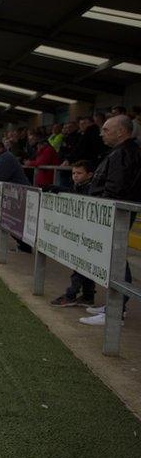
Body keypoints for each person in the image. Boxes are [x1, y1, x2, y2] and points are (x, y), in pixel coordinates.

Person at [79, 115, 141, 326]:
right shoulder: (120, 152)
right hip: (112, 213)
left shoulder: (124, 153)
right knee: (115, 259)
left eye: (106, 129)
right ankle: (113, 306)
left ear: (121, 132)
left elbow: (115, 189)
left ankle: (115, 312)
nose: (101, 133)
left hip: (114, 214)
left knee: (116, 260)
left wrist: (100, 210)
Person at [49, 161, 96, 307]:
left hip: (89, 233)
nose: (75, 176)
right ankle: (88, 296)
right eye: (73, 173)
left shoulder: (91, 188)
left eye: (79, 173)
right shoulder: (78, 187)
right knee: (83, 264)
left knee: (80, 264)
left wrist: (62, 190)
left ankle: (71, 295)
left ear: (89, 175)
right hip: (80, 232)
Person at [0, 139, 33, 252]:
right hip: (15, 194)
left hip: (21, 194)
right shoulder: (2, 157)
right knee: (12, 222)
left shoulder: (6, 158)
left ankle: (25, 246)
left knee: (15, 222)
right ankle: (23, 246)